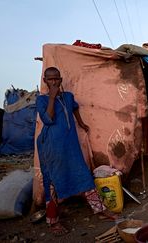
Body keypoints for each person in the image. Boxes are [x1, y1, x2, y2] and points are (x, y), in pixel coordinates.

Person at [36, 67, 117, 236]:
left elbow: (73, 108)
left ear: (60, 79)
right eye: (50, 79)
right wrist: (52, 96)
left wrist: (80, 123)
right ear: (45, 81)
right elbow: (48, 119)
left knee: (83, 175)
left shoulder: (68, 97)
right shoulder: (42, 100)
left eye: (56, 79)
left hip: (70, 145)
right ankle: (53, 222)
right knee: (53, 181)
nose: (54, 82)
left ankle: (99, 210)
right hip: (51, 146)